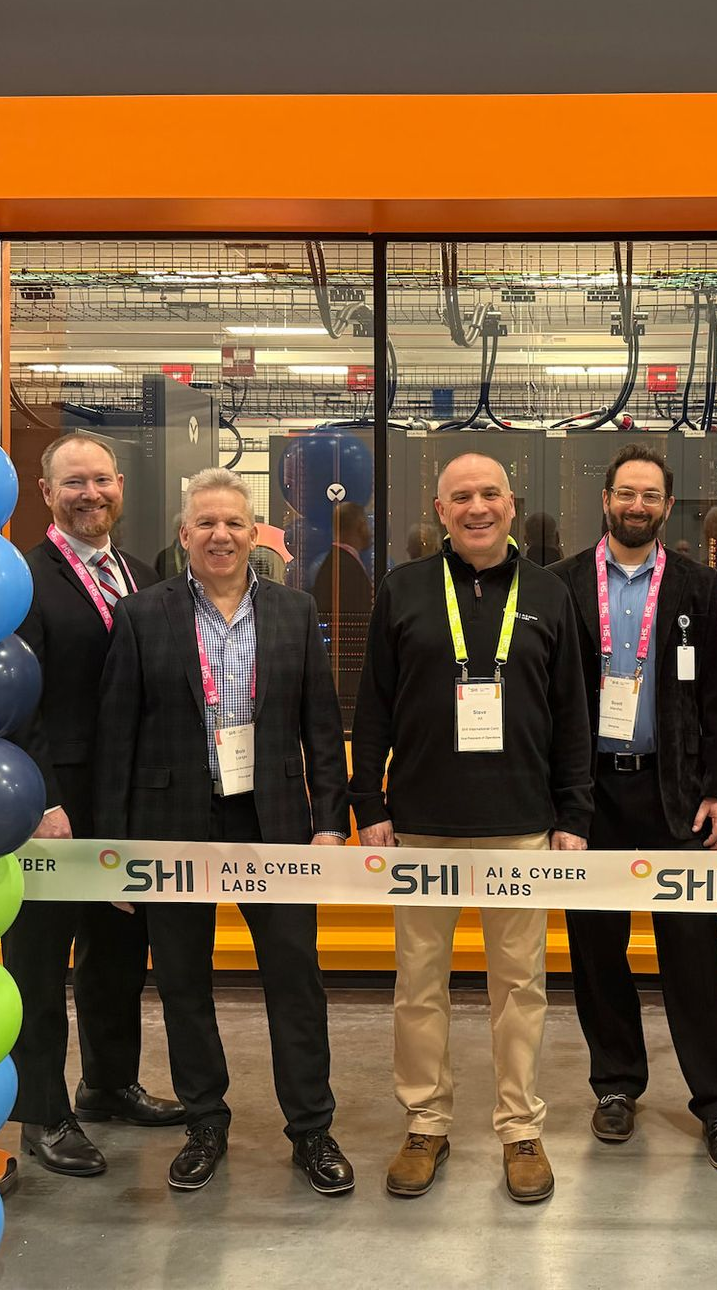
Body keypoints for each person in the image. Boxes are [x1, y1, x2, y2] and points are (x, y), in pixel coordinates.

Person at [94, 468, 354, 1196]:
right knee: (183, 982)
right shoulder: (142, 616)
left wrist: (330, 823)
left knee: (295, 982)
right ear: (184, 536)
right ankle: (205, 1121)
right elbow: (118, 736)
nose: (219, 535)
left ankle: (311, 1127)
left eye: (233, 523)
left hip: (273, 824)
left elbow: (322, 731)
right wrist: (117, 851)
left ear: (254, 535)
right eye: (204, 523)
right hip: (174, 822)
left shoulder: (296, 612)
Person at [350, 452, 592, 1205]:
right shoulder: (403, 591)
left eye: (490, 494)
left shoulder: (549, 593)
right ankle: (426, 1123)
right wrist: (371, 804)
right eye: (463, 497)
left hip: (521, 825)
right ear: (441, 510)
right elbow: (374, 708)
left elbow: (572, 717)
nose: (477, 506)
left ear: (511, 505)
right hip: (420, 826)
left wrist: (574, 815)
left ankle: (520, 1130)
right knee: (419, 985)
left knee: (519, 985)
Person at [551, 445, 717, 1172]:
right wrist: (557, 806)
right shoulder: (561, 584)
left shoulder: (697, 587)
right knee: (596, 952)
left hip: (676, 798)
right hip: (590, 797)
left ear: (667, 507)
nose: (637, 506)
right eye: (626, 493)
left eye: (651, 496)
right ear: (605, 498)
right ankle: (615, 1087)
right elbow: (547, 704)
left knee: (693, 955)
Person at [4, 431, 183, 1177]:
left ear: (120, 489)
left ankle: (108, 1084)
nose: (91, 495)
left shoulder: (144, 578)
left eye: (101, 481)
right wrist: (42, 797)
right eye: (73, 482)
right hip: (55, 804)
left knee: (116, 954)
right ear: (47, 493)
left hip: (130, 802)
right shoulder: (20, 580)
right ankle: (42, 1113)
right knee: (40, 963)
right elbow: (14, 698)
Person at [310, 501, 374, 728]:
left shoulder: (336, 564)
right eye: (366, 523)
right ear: (358, 525)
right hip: (347, 676)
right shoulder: (341, 568)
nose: (369, 530)